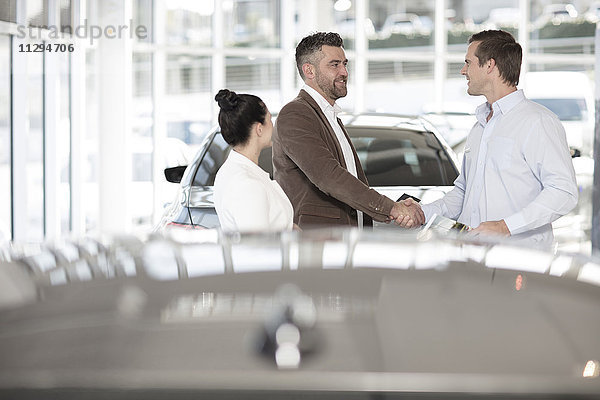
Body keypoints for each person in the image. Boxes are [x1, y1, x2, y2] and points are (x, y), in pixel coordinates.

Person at [420, 30, 578, 249]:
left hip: (518, 261)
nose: (463, 70)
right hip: (470, 258)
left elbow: (563, 192)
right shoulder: (480, 126)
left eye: (468, 62)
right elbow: (463, 192)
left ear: (490, 65)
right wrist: (422, 212)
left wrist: (506, 227)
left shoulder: (538, 122)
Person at [272, 32, 424, 229]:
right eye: (334, 65)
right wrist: (392, 208)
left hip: (349, 240)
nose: (344, 72)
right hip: (319, 242)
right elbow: (328, 176)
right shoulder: (296, 114)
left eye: (345, 64)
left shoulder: (329, 115)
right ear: (309, 71)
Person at [213, 89, 294, 232]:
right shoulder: (246, 183)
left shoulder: (233, 171)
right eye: (269, 120)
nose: (273, 126)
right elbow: (257, 248)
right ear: (259, 129)